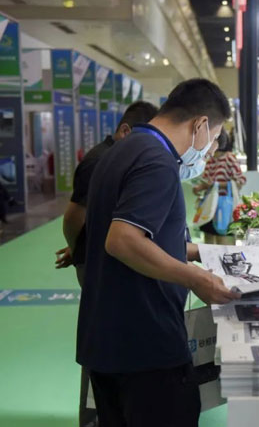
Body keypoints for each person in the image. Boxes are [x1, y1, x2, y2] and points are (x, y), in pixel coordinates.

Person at [77, 78, 240, 427]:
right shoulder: (157, 162)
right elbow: (122, 240)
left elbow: (149, 237)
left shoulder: (122, 149)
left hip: (107, 339)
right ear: (200, 124)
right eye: (213, 138)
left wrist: (207, 253)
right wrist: (195, 278)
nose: (209, 150)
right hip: (146, 346)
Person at [52, 101, 158, 427]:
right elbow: (73, 216)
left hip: (108, 259)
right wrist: (79, 250)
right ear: (125, 130)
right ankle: (93, 417)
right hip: (98, 262)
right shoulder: (100, 160)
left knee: (114, 338)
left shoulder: (119, 157)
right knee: (101, 340)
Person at [193, 130, 246, 244]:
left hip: (224, 206)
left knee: (224, 240)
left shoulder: (229, 157)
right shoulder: (210, 159)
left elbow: (240, 181)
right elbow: (206, 181)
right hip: (209, 205)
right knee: (208, 240)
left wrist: (215, 185)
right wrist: (200, 187)